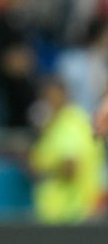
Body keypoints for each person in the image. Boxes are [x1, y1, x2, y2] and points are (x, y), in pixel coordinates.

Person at [31, 78, 105, 223]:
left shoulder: (69, 124)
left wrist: (40, 170)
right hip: (66, 216)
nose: (47, 102)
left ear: (63, 95)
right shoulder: (64, 122)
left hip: (70, 214)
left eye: (50, 96)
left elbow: (70, 167)